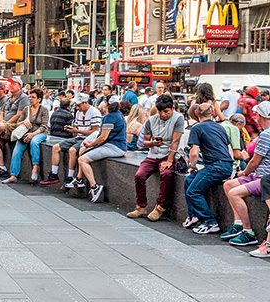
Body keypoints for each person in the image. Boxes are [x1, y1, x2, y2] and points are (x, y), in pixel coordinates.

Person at [218, 101, 270, 247]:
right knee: (228, 185)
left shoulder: (266, 135)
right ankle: (238, 223)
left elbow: (254, 161)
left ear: (259, 116)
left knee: (234, 193)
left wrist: (243, 173)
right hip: (260, 174)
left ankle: (248, 232)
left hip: (264, 178)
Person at [128, 94, 184, 222]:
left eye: (166, 111)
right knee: (139, 175)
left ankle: (160, 207)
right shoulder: (151, 120)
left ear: (172, 109)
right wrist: (153, 143)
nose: (163, 114)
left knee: (166, 174)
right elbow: (144, 142)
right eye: (160, 111)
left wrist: (169, 160)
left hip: (170, 154)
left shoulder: (178, 118)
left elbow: (175, 141)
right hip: (153, 154)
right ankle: (141, 207)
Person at [183, 104, 234, 235]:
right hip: (226, 165)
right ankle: (193, 215)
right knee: (188, 181)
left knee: (193, 191)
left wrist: (192, 166)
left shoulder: (197, 128)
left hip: (215, 166)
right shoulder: (220, 127)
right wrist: (230, 169)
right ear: (212, 113)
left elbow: (194, 153)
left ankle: (210, 222)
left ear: (196, 113)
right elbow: (229, 149)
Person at [73, 100, 129, 203]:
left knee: (82, 159)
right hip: (118, 146)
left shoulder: (110, 117)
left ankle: (94, 187)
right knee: (83, 151)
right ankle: (79, 179)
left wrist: (91, 144)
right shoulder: (119, 115)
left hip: (113, 147)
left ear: (107, 105)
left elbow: (103, 137)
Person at [41, 94, 101, 186]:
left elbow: (95, 132)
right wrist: (71, 129)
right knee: (56, 147)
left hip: (88, 139)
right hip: (78, 137)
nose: (77, 107)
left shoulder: (94, 112)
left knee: (72, 150)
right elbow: (77, 128)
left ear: (85, 102)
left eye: (78, 105)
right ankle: (54, 174)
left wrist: (76, 130)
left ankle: (70, 177)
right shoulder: (78, 113)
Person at [2, 88, 49, 184]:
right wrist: (24, 122)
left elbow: (44, 126)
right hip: (25, 133)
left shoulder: (44, 110)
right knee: (16, 151)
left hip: (39, 133)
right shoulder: (26, 109)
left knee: (34, 142)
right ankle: (13, 175)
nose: (30, 99)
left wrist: (32, 134)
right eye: (29, 97)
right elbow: (18, 123)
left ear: (39, 99)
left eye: (33, 97)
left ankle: (35, 168)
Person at [0, 78, 30, 178]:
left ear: (20, 86)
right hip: (5, 126)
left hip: (16, 125)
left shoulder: (23, 98)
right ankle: (2, 168)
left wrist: (5, 124)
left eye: (13, 84)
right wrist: (2, 121)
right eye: (9, 84)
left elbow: (19, 115)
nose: (10, 85)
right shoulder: (9, 99)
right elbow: (1, 113)